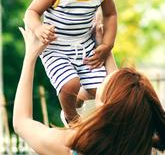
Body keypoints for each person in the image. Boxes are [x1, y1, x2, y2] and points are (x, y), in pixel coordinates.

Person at [13, 26, 165, 155]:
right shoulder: (143, 145)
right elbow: (121, 100)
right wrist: (104, 48)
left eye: (103, 82)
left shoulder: (73, 145)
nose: (101, 79)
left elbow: (21, 122)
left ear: (105, 108)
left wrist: (30, 56)